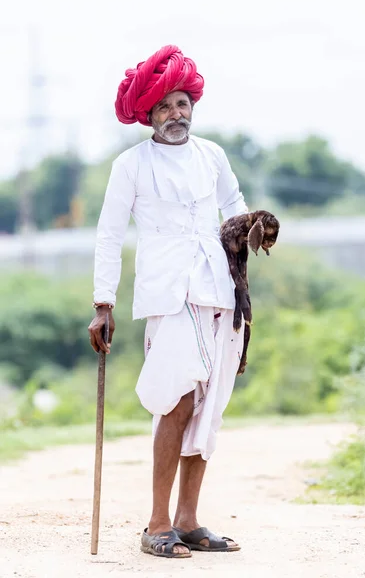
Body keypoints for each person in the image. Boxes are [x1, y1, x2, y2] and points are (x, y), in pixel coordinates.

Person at [88, 45, 247, 559]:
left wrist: (254, 227)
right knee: (175, 400)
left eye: (182, 104)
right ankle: (157, 524)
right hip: (167, 293)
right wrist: (102, 302)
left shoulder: (213, 155)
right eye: (164, 107)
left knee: (210, 404)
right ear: (149, 115)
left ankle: (189, 520)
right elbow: (110, 235)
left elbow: (234, 209)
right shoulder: (130, 165)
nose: (176, 114)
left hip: (219, 292)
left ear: (191, 106)